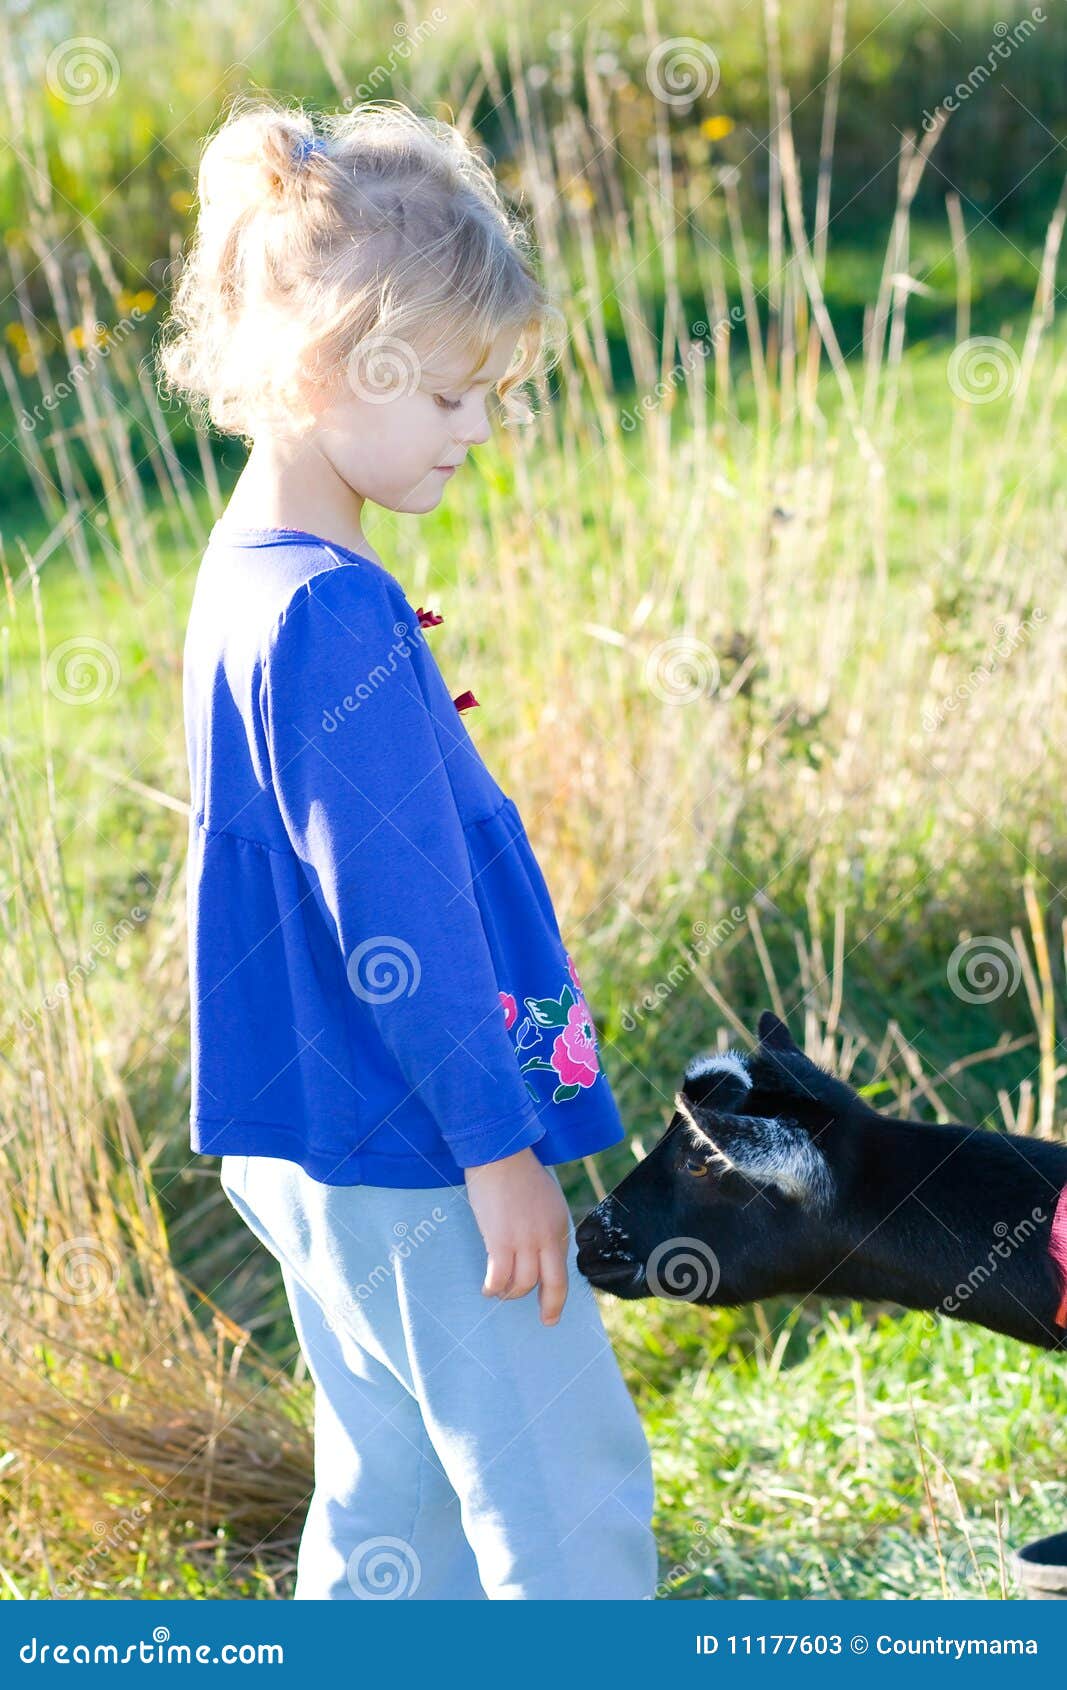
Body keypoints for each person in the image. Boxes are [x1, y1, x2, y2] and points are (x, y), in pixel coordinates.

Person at [160, 96, 656, 1601]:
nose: (478, 429)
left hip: (315, 1141)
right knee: (564, 1490)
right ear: (323, 368)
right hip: (426, 1143)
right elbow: (404, 915)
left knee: (396, 1508)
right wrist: (502, 1154)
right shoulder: (329, 612)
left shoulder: (242, 578)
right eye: (447, 395)